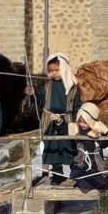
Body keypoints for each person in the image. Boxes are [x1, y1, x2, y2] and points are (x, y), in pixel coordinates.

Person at [25, 53, 81, 185]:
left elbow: (77, 106)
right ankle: (57, 174)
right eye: (51, 71)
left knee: (69, 146)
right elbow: (40, 100)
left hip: (66, 120)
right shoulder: (47, 86)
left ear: (65, 69)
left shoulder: (73, 87)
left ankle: (76, 173)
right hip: (50, 120)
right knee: (53, 147)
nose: (54, 73)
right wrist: (33, 94)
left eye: (57, 70)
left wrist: (74, 121)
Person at [67, 102, 108, 192]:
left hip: (95, 164)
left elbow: (106, 142)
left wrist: (98, 138)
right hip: (82, 164)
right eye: (80, 122)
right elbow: (67, 135)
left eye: (85, 122)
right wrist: (59, 121)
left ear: (91, 121)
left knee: (101, 184)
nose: (82, 124)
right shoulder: (76, 130)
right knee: (75, 175)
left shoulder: (97, 129)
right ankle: (90, 181)